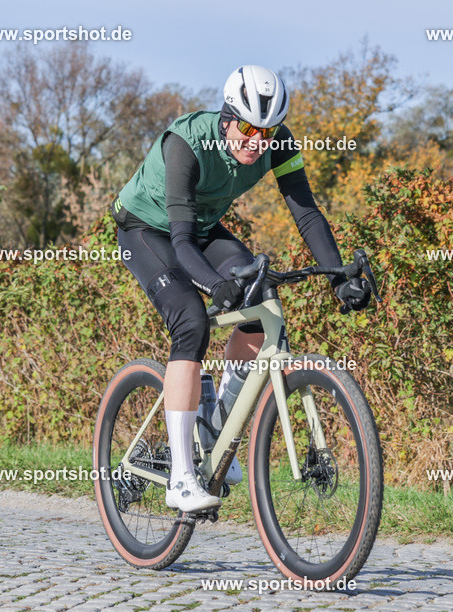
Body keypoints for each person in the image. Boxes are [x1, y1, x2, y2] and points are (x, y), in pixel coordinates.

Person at [112, 65, 372, 513]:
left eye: (267, 133)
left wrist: (339, 277)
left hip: (205, 229)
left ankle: (216, 432)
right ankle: (180, 475)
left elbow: (307, 214)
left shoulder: (279, 143)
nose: (257, 142)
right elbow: (179, 240)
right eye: (248, 129)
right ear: (227, 118)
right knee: (192, 321)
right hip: (146, 230)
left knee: (261, 300)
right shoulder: (187, 144)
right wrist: (214, 286)